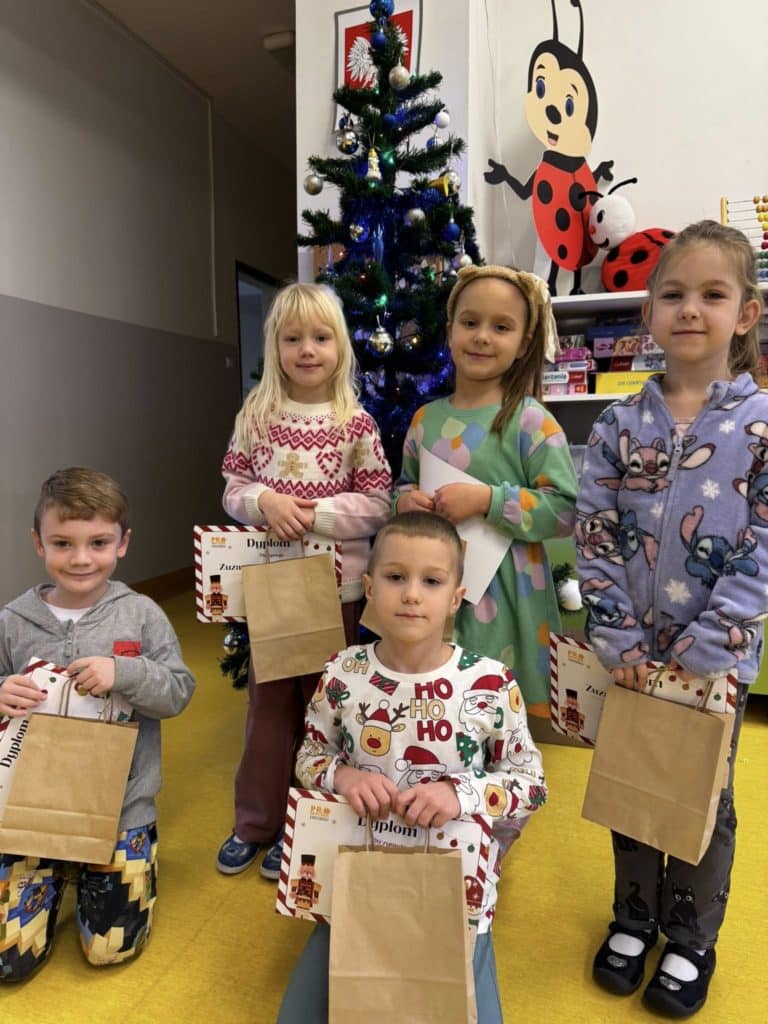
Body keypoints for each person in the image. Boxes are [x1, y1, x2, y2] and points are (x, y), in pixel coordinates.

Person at [575, 220, 765, 1017]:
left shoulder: (760, 425)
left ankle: (691, 935)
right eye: (674, 295)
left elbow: (763, 543)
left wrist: (713, 638)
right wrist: (615, 631)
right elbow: (593, 527)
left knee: (701, 795)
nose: (691, 309)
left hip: (713, 659)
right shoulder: (618, 424)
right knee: (631, 783)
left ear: (745, 314)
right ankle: (634, 916)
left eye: (712, 295)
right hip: (632, 652)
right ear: (649, 313)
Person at [277, 511, 547, 1023]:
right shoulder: (343, 672)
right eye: (396, 577)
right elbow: (309, 757)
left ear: (456, 598)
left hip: (453, 886)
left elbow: (530, 784)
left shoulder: (490, 683)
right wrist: (344, 776)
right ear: (369, 587)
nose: (412, 595)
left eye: (432, 581)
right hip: (358, 874)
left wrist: (460, 794)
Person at [217, 282, 391, 879]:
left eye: (320, 338)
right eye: (293, 338)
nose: (307, 350)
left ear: (340, 346)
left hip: (337, 593)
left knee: (326, 710)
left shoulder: (355, 423)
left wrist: (319, 514)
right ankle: (255, 822)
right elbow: (234, 488)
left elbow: (378, 503)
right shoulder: (256, 416)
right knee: (268, 710)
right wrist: (264, 501)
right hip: (273, 592)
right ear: (276, 347)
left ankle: (310, 818)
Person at [0, 467, 195, 979]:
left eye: (99, 543)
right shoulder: (13, 620)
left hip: (120, 809)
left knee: (110, 949)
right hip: (29, 807)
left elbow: (179, 691)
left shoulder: (142, 615)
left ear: (122, 543)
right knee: (7, 960)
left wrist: (124, 673)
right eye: (63, 543)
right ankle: (57, 870)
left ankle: (101, 868)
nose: (81, 559)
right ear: (38, 543)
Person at [394, 264, 578, 716]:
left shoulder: (530, 421)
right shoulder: (425, 420)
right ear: (450, 330)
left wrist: (489, 500)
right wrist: (404, 502)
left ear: (524, 344)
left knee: (499, 703)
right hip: (436, 589)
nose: (482, 337)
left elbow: (564, 509)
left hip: (509, 592)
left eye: (501, 327)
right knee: (437, 700)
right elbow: (403, 484)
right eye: (470, 322)